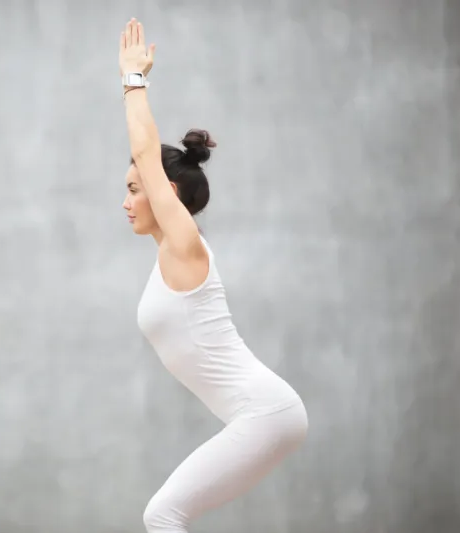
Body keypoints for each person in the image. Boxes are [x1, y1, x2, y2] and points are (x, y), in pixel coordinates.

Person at [118, 18, 309, 533]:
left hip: (266, 412)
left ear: (168, 196)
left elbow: (143, 149)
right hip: (264, 415)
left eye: (137, 189)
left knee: (162, 514)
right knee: (165, 513)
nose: (127, 201)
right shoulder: (171, 257)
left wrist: (132, 80)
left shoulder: (186, 245)